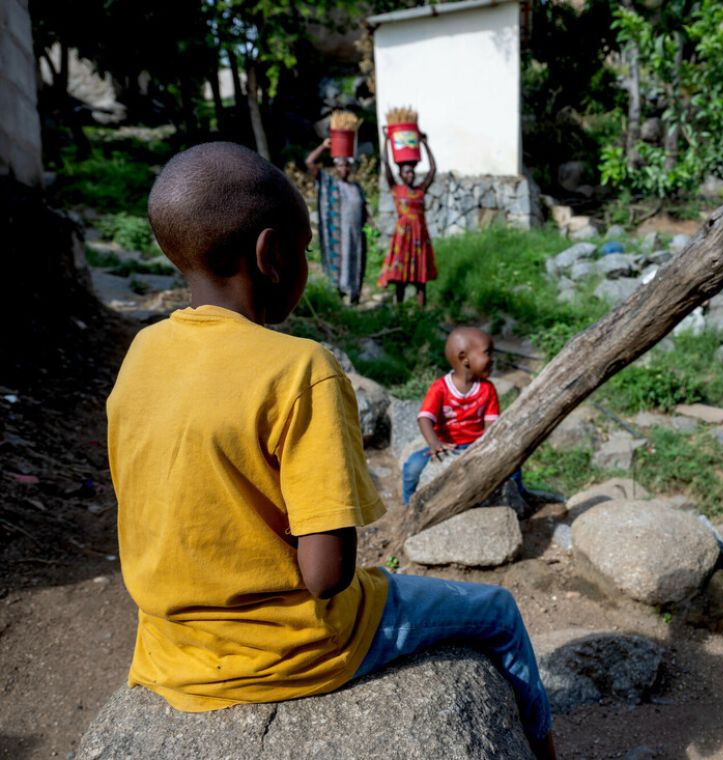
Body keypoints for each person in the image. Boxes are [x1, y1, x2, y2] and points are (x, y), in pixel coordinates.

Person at [108, 142, 556, 758]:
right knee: (498, 610)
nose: (305, 264)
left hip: (171, 647)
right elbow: (326, 577)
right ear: (269, 256)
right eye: (305, 250)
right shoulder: (300, 368)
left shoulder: (142, 354)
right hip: (289, 647)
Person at [403, 326, 524, 504]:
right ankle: (408, 504)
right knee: (413, 466)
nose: (493, 359)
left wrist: (488, 446)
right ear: (464, 358)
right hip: (447, 446)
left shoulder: (487, 388)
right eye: (488, 353)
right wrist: (435, 443)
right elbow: (424, 418)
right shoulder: (440, 388)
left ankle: (519, 496)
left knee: (513, 465)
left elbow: (491, 424)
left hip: (476, 444)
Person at [305, 137, 373, 304]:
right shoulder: (329, 183)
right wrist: (323, 146)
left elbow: (364, 209)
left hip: (356, 235)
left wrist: (371, 225)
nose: (344, 169)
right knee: (339, 264)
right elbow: (309, 162)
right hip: (337, 237)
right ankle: (339, 297)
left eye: (347, 165)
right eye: (340, 165)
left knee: (357, 262)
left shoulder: (356, 187)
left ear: (351, 167)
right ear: (336, 167)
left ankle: (355, 297)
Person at [377, 131, 437, 306]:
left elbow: (433, 169)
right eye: (406, 172)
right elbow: (386, 163)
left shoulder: (420, 190)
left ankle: (421, 313)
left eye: (412, 172)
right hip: (403, 239)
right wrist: (387, 141)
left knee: (421, 278)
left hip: (419, 237)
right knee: (400, 277)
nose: (410, 175)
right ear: (401, 174)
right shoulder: (396, 189)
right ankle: (400, 311)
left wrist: (424, 143)